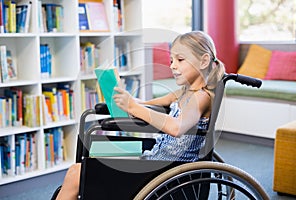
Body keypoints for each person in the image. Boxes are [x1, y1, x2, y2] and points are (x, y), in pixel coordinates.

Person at [55, 31, 225, 200]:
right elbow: (157, 102)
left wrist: (134, 107)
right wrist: (131, 102)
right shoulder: (185, 91)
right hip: (154, 158)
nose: (173, 65)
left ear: (203, 61)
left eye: (180, 60)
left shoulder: (200, 97)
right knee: (93, 153)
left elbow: (176, 127)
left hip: (165, 174)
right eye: (172, 60)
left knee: (76, 174)